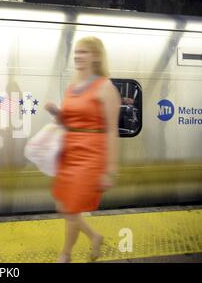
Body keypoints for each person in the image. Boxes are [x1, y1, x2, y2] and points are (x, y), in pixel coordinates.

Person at [44, 36, 121, 263]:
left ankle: (65, 255)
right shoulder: (72, 87)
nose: (77, 56)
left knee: (70, 209)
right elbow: (68, 123)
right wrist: (55, 112)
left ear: (96, 56)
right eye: (76, 52)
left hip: (90, 156)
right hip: (69, 153)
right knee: (64, 206)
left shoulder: (105, 87)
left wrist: (110, 169)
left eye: (84, 52)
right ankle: (94, 236)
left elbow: (112, 131)